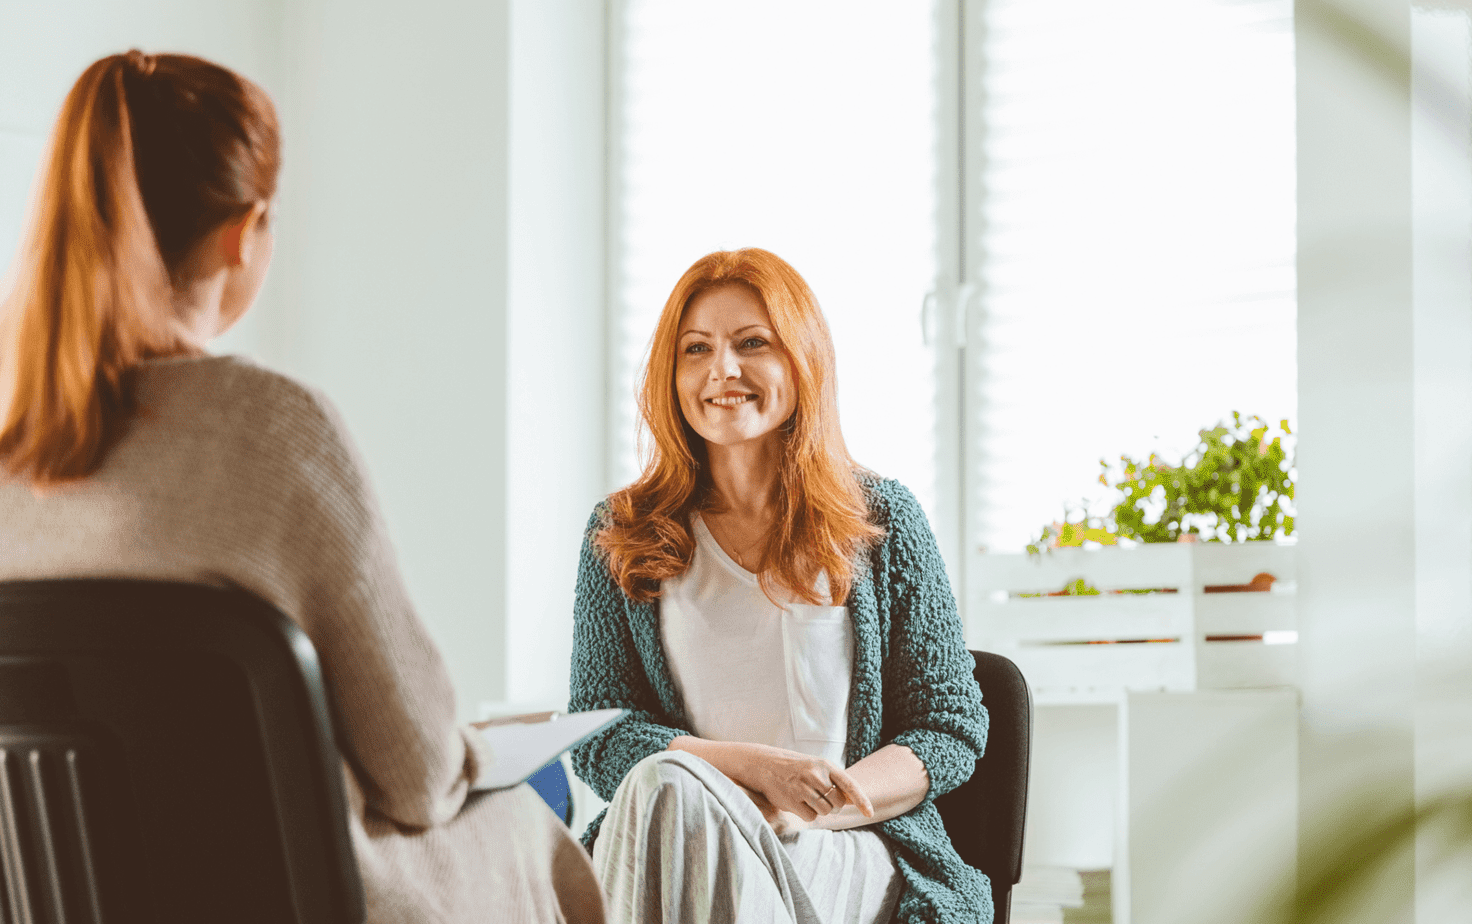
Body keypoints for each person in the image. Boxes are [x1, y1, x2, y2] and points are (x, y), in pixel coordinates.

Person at [0, 50, 603, 924]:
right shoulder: (275, 433)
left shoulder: (15, 452)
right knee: (533, 819)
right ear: (243, 233)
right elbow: (417, 773)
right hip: (296, 900)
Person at [567, 248, 993, 923]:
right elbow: (600, 734)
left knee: (687, 838)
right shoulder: (621, 531)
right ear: (670, 375)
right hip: (679, 833)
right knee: (669, 795)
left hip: (839, 845)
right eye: (696, 349)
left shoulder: (881, 521)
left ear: (802, 360)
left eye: (752, 344)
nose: (722, 371)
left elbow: (950, 728)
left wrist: (817, 805)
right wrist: (749, 774)